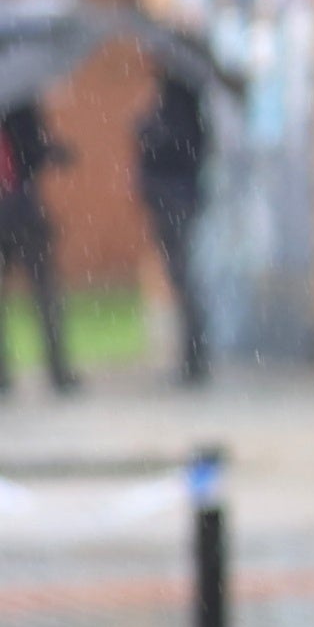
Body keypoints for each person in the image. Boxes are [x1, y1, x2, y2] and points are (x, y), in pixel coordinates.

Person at [133, 64, 209, 387]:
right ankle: (192, 352)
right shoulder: (176, 107)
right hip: (172, 198)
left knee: (182, 276)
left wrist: (149, 130)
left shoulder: (179, 109)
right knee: (179, 276)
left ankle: (194, 353)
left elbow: (177, 150)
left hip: (174, 200)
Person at [0, 97, 74, 394]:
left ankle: (7, 375)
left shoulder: (18, 103)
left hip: (18, 209)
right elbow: (34, 150)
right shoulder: (18, 102)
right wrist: (52, 151)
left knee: (43, 291)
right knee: (45, 290)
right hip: (22, 208)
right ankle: (57, 370)